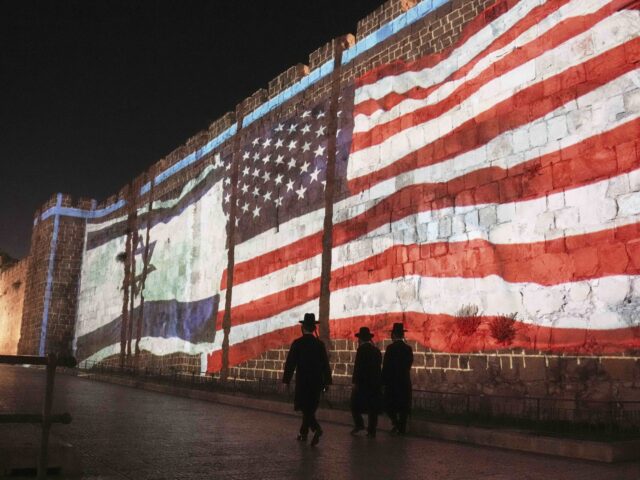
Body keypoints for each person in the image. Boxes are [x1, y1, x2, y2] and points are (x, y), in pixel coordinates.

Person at [282, 313, 332, 446]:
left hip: (303, 383)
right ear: (314, 327)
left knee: (305, 409)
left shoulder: (298, 344)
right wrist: (327, 382)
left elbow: (290, 363)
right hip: (316, 383)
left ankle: (316, 429)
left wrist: (286, 381)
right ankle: (303, 434)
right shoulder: (319, 345)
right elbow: (325, 365)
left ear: (303, 328)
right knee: (309, 409)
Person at [350, 326, 382, 438]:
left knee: (354, 404)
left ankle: (359, 424)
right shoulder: (376, 351)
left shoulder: (361, 350)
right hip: (375, 383)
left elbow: (358, 367)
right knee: (372, 409)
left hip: (363, 383)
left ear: (360, 339)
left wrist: (355, 382)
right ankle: (372, 430)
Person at [382, 322, 413, 434]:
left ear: (394, 335)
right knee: (403, 407)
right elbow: (409, 364)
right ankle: (402, 428)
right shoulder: (408, 349)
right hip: (404, 381)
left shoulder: (390, 348)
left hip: (392, 383)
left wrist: (383, 381)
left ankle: (396, 423)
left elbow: (386, 366)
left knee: (389, 406)